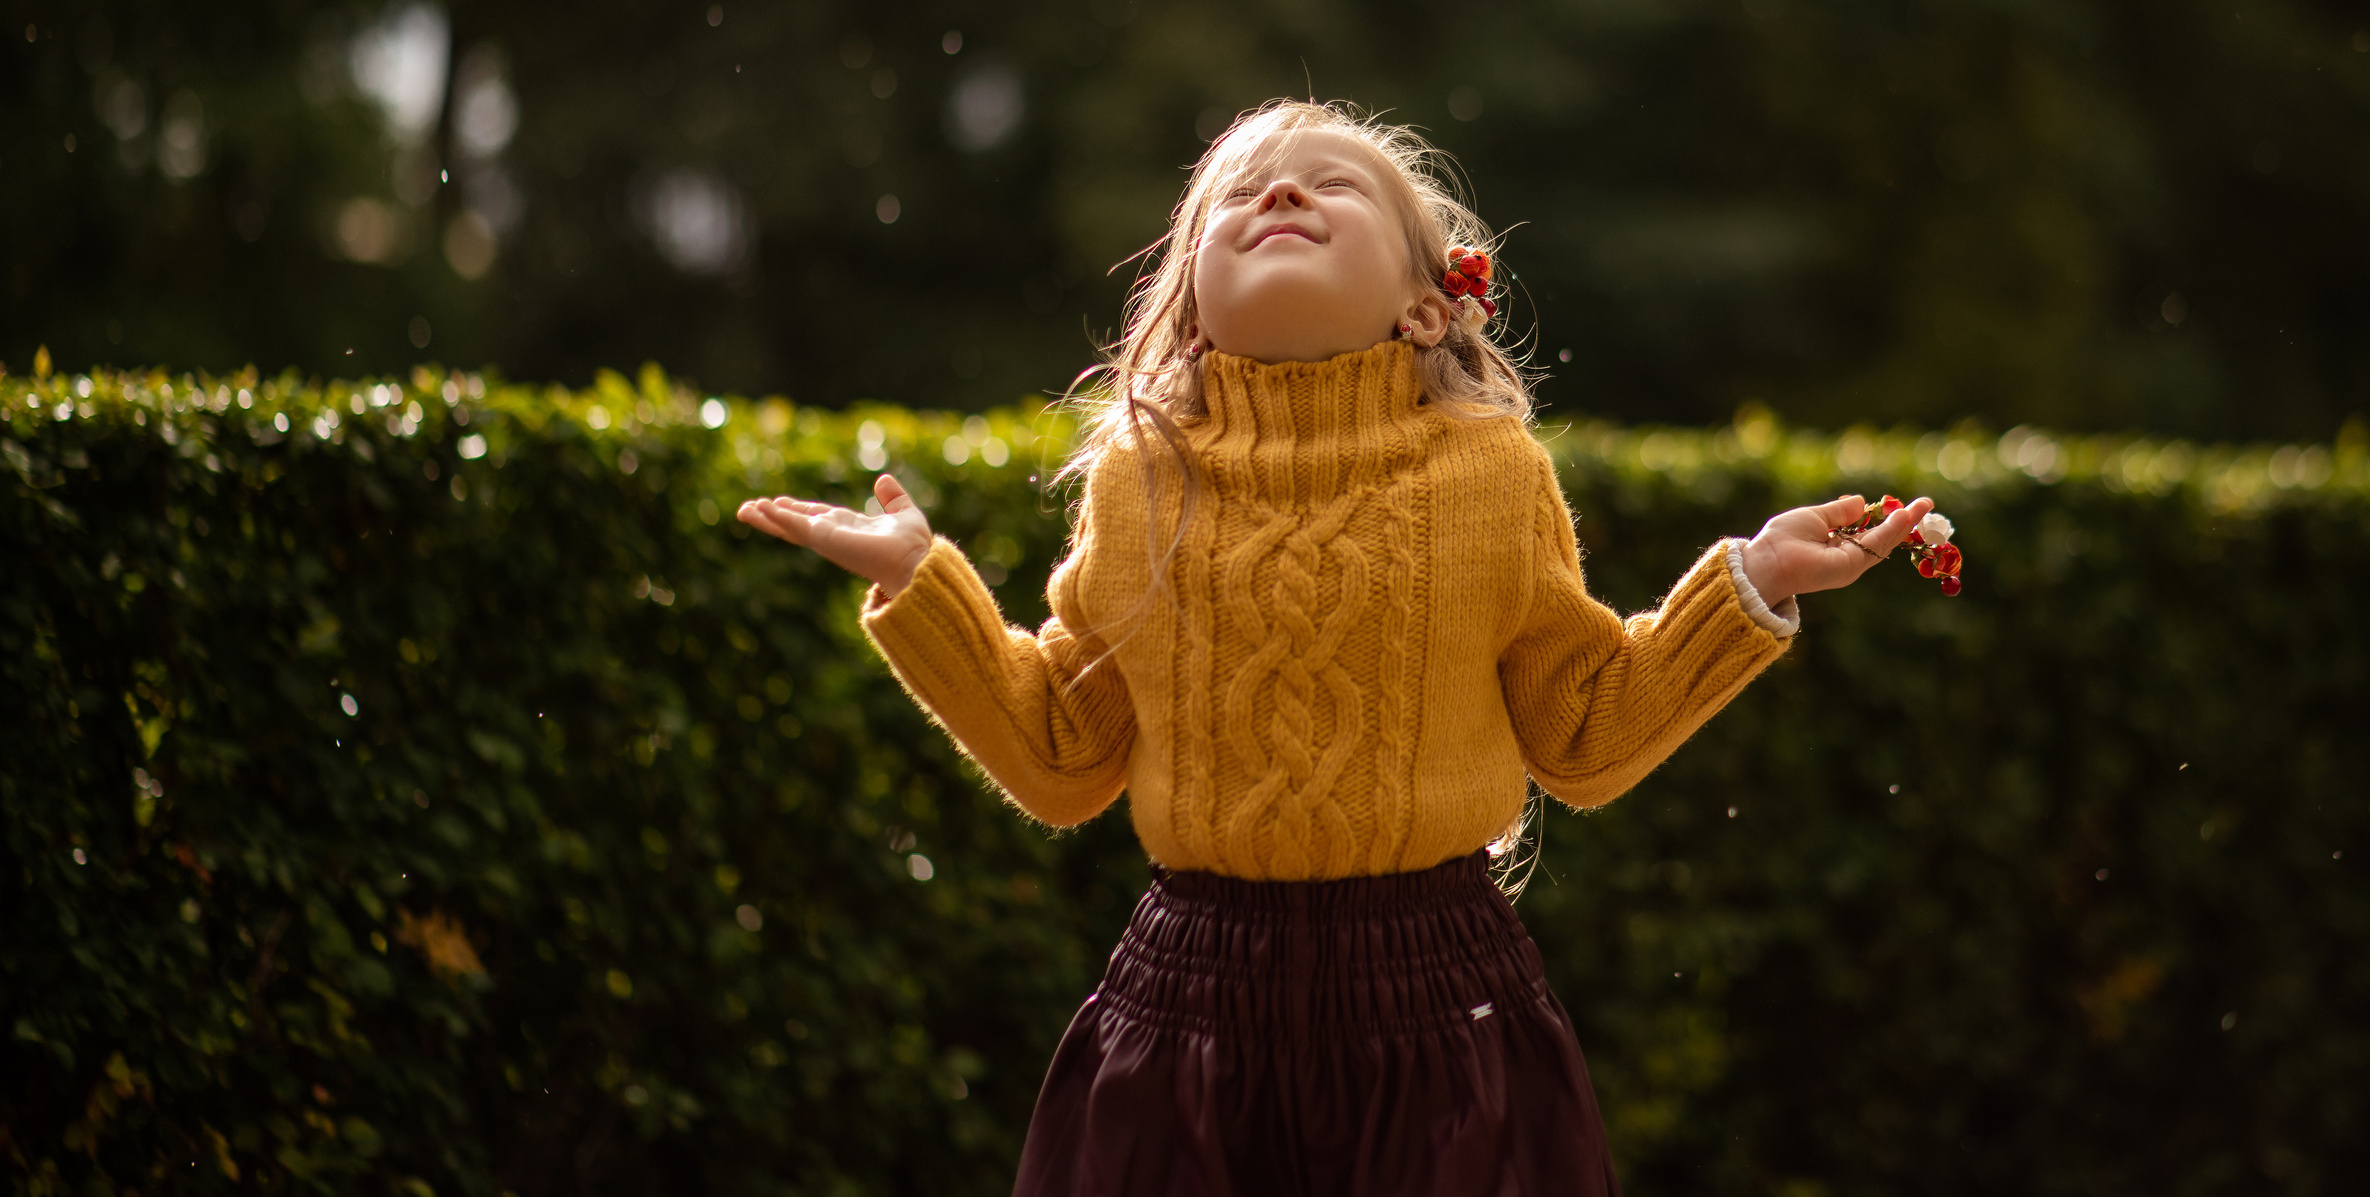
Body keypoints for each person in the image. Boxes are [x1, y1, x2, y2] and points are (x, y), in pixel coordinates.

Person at [739, 100, 1934, 1197]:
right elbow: (1061, 750)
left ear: (1426, 303)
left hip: (1441, 1004)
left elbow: (1583, 735)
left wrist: (1752, 581)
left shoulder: (1490, 476)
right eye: (1242, 192)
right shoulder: (1137, 484)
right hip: (1186, 1009)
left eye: (1329, 185)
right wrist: (920, 578)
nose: (1280, 195)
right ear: (1191, 298)